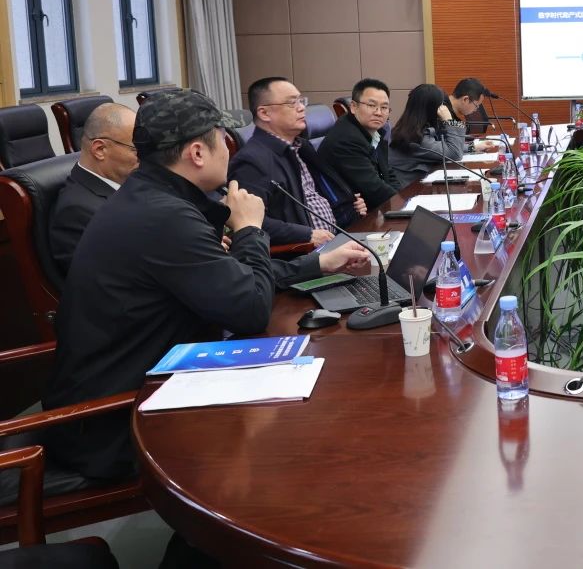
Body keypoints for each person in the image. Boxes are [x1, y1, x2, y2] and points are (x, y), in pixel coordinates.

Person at [39, 89, 370, 484]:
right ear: (197, 153)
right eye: (223, 141)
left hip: (154, 382)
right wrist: (249, 229)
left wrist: (317, 263)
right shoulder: (163, 216)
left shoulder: (152, 197)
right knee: (305, 436)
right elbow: (248, 310)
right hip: (118, 421)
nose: (229, 151)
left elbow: (227, 277)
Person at [230, 77, 368, 246]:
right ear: (264, 113)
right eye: (292, 103)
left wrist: (350, 206)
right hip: (303, 253)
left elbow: (322, 193)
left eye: (301, 101)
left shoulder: (301, 147)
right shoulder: (252, 161)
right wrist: (307, 235)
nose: (302, 108)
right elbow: (249, 223)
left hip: (337, 238)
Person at [49, 102, 138, 275]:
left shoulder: (129, 183)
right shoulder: (77, 211)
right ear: (100, 150)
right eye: (136, 149)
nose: (144, 156)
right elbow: (104, 280)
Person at [318, 78, 402, 208]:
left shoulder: (375, 132)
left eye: (384, 107)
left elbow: (388, 174)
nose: (379, 112)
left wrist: (403, 197)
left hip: (370, 206)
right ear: (353, 107)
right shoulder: (347, 140)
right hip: (352, 212)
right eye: (371, 105)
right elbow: (374, 189)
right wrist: (404, 205)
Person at [389, 83, 467, 185]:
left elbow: (443, 146)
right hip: (408, 191)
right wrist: (449, 121)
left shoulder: (412, 129)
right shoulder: (416, 139)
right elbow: (455, 154)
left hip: (418, 186)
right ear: (434, 109)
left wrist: (472, 147)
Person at [446, 78, 500, 151]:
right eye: (476, 105)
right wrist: (473, 147)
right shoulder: (441, 114)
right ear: (465, 100)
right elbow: (450, 149)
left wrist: (474, 147)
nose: (476, 110)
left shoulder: (452, 114)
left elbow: (457, 145)